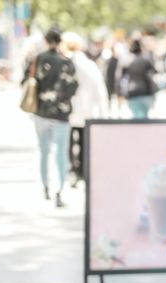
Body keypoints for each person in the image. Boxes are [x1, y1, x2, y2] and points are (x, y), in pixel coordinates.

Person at [24, 27, 78, 207]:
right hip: (61, 114)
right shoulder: (66, 62)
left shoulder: (38, 59)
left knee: (44, 151)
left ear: (46, 41)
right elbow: (72, 87)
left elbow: (28, 81)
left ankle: (45, 186)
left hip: (41, 111)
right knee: (61, 153)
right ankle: (59, 189)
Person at [62, 32, 109, 187]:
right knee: (83, 141)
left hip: (68, 109)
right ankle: (81, 170)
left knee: (68, 142)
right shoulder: (88, 64)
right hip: (86, 109)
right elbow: (99, 89)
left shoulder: (65, 62)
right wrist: (103, 112)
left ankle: (72, 170)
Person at [121, 39, 157, 119]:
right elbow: (153, 73)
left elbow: (120, 78)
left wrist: (120, 93)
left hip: (132, 92)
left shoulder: (127, 61)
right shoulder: (146, 60)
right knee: (143, 117)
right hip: (145, 91)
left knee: (137, 117)